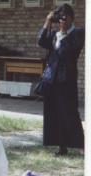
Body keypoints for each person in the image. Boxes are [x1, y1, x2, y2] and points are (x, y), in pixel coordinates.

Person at [37, 4, 84, 156]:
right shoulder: (54, 34)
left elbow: (66, 52)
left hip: (66, 80)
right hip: (51, 79)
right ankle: (61, 146)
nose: (61, 21)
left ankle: (82, 146)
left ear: (71, 17)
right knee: (54, 113)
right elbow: (41, 41)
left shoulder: (78, 33)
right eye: (59, 18)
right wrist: (47, 22)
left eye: (64, 17)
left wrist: (63, 33)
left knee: (69, 113)